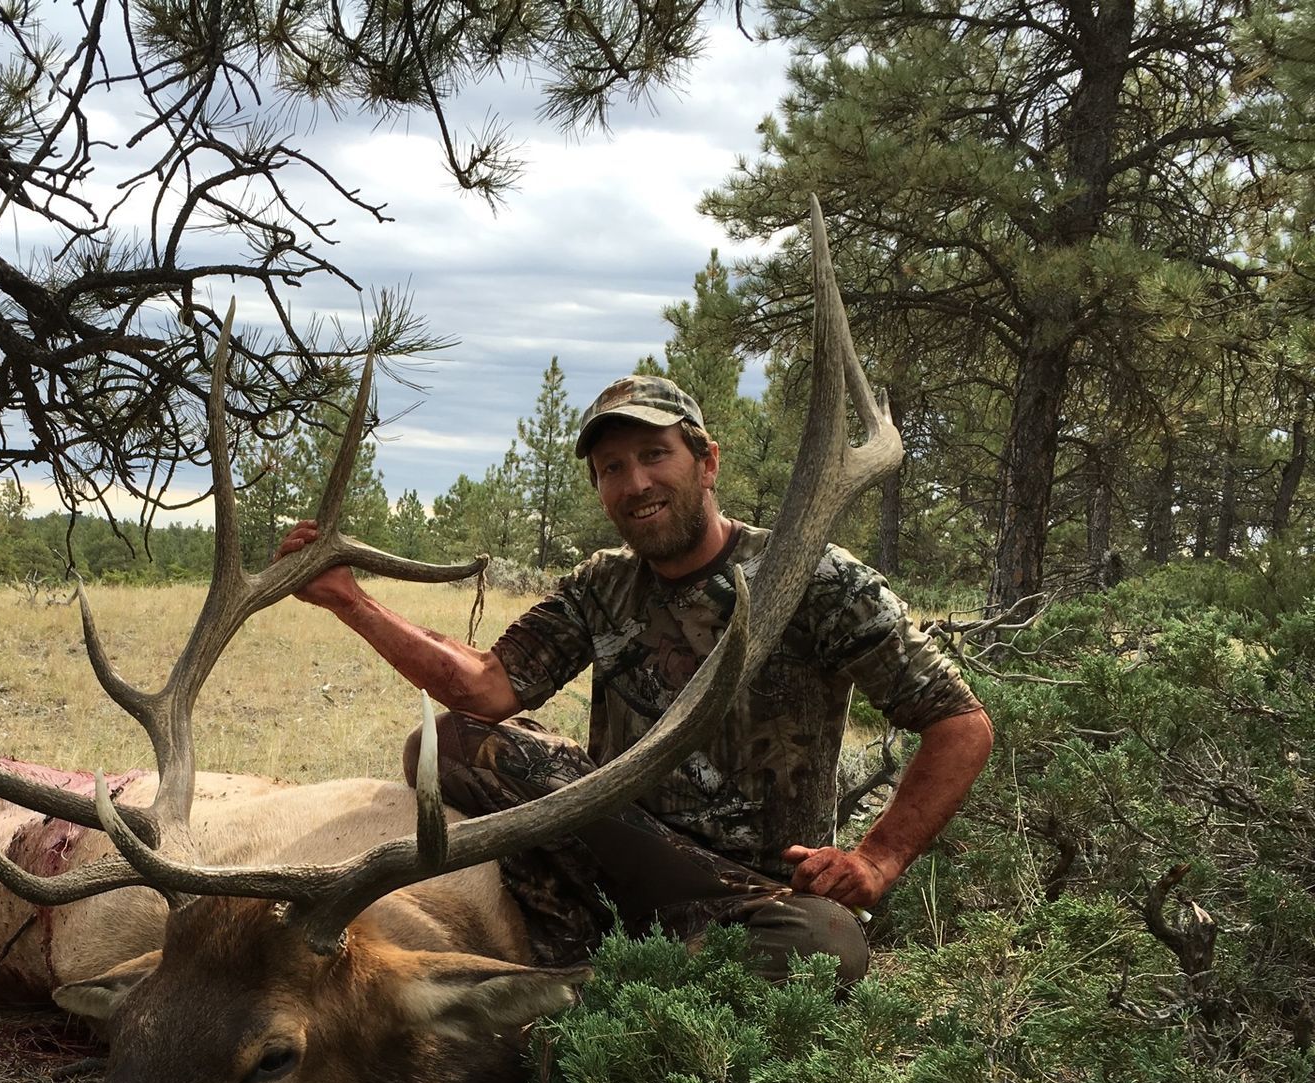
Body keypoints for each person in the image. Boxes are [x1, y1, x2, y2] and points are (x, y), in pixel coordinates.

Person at [278, 374, 994, 981]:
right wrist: (349, 600)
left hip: (754, 890)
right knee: (445, 744)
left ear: (707, 461)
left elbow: (960, 725)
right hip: (618, 847)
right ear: (599, 488)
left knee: (825, 946)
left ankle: (590, 978)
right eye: (612, 468)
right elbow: (486, 687)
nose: (636, 483)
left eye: (655, 455)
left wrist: (877, 859)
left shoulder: (817, 577)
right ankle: (616, 963)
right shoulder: (603, 585)